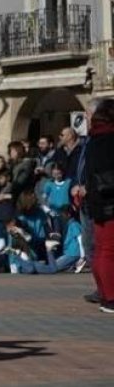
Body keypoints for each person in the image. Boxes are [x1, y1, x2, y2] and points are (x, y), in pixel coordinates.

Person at [79, 98, 114, 312]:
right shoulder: (109, 139)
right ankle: (110, 297)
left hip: (99, 202)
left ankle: (104, 293)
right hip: (109, 201)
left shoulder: (94, 139)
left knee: (101, 249)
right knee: (107, 250)